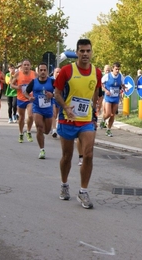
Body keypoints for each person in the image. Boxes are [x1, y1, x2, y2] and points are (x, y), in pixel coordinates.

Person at [54, 38, 102, 209]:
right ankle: (64, 184)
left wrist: (95, 113)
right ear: (76, 53)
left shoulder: (97, 72)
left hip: (86, 120)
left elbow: (96, 92)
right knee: (67, 157)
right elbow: (57, 93)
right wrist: (67, 107)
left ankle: (83, 191)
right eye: (82, 51)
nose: (85, 54)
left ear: (91, 52)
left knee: (88, 155)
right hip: (67, 120)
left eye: (88, 51)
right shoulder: (67, 71)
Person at [24, 62, 54, 159]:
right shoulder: (34, 82)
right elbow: (25, 92)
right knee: (39, 128)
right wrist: (29, 97)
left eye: (44, 70)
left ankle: (43, 135)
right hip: (37, 108)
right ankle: (42, 150)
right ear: (38, 71)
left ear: (47, 71)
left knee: (46, 131)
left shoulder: (52, 82)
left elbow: (59, 93)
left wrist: (52, 95)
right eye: (41, 70)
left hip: (49, 109)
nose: (43, 72)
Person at [10, 59, 36, 143]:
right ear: (21, 66)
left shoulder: (34, 74)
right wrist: (17, 87)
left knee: (31, 115)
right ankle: (21, 133)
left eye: (28, 65)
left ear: (30, 66)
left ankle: (28, 131)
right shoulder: (18, 74)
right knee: (21, 117)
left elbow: (40, 82)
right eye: (24, 65)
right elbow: (11, 84)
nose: (26, 66)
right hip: (21, 98)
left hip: (30, 98)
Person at [100, 62, 124, 136]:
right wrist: (106, 90)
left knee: (113, 115)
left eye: (118, 69)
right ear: (112, 69)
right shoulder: (107, 76)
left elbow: (122, 84)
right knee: (108, 113)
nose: (117, 71)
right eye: (116, 69)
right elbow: (100, 83)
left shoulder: (121, 76)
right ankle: (103, 120)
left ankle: (108, 130)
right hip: (108, 98)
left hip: (116, 98)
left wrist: (124, 88)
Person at [51, 67, 61, 138]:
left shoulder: (62, 80)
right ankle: (54, 130)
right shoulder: (50, 80)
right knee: (54, 113)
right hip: (52, 99)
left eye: (59, 72)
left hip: (59, 99)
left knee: (58, 114)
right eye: (57, 72)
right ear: (54, 72)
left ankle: (56, 127)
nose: (58, 73)